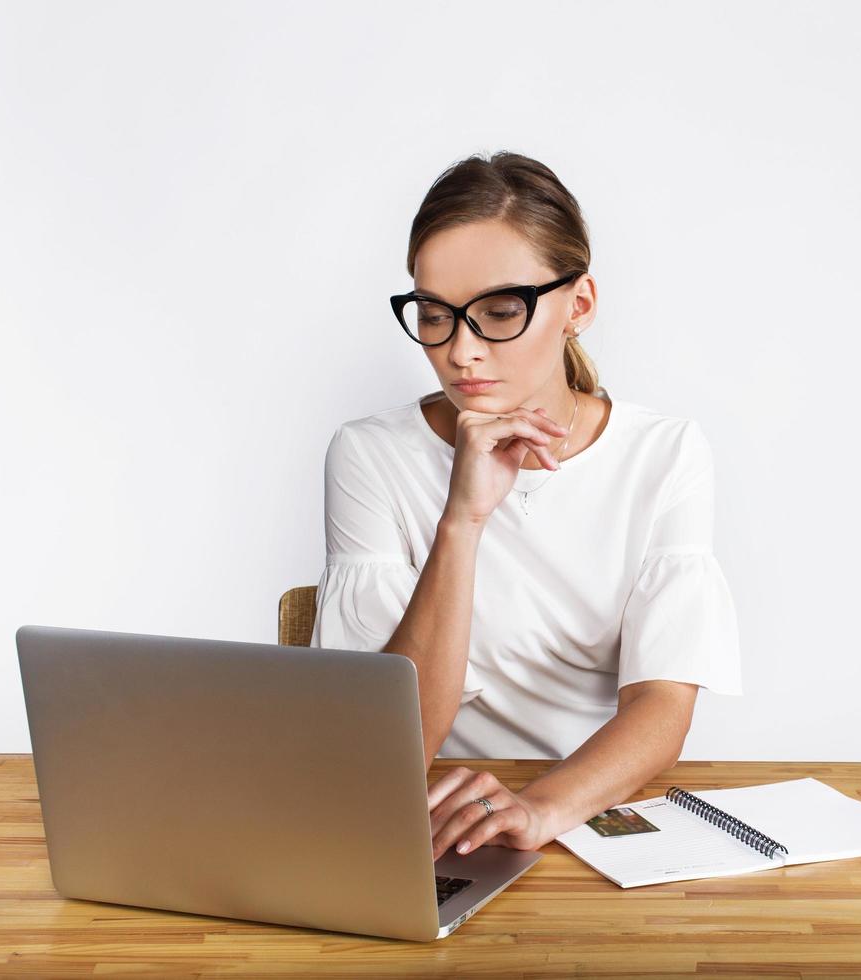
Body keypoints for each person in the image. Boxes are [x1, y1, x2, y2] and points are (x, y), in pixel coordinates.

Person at [310, 151, 741, 863]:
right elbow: (391, 746)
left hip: (591, 813)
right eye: (434, 315)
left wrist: (538, 810)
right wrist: (464, 518)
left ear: (580, 305)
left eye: (501, 312)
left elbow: (662, 707)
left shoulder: (664, 454)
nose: (461, 351)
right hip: (425, 819)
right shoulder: (369, 454)